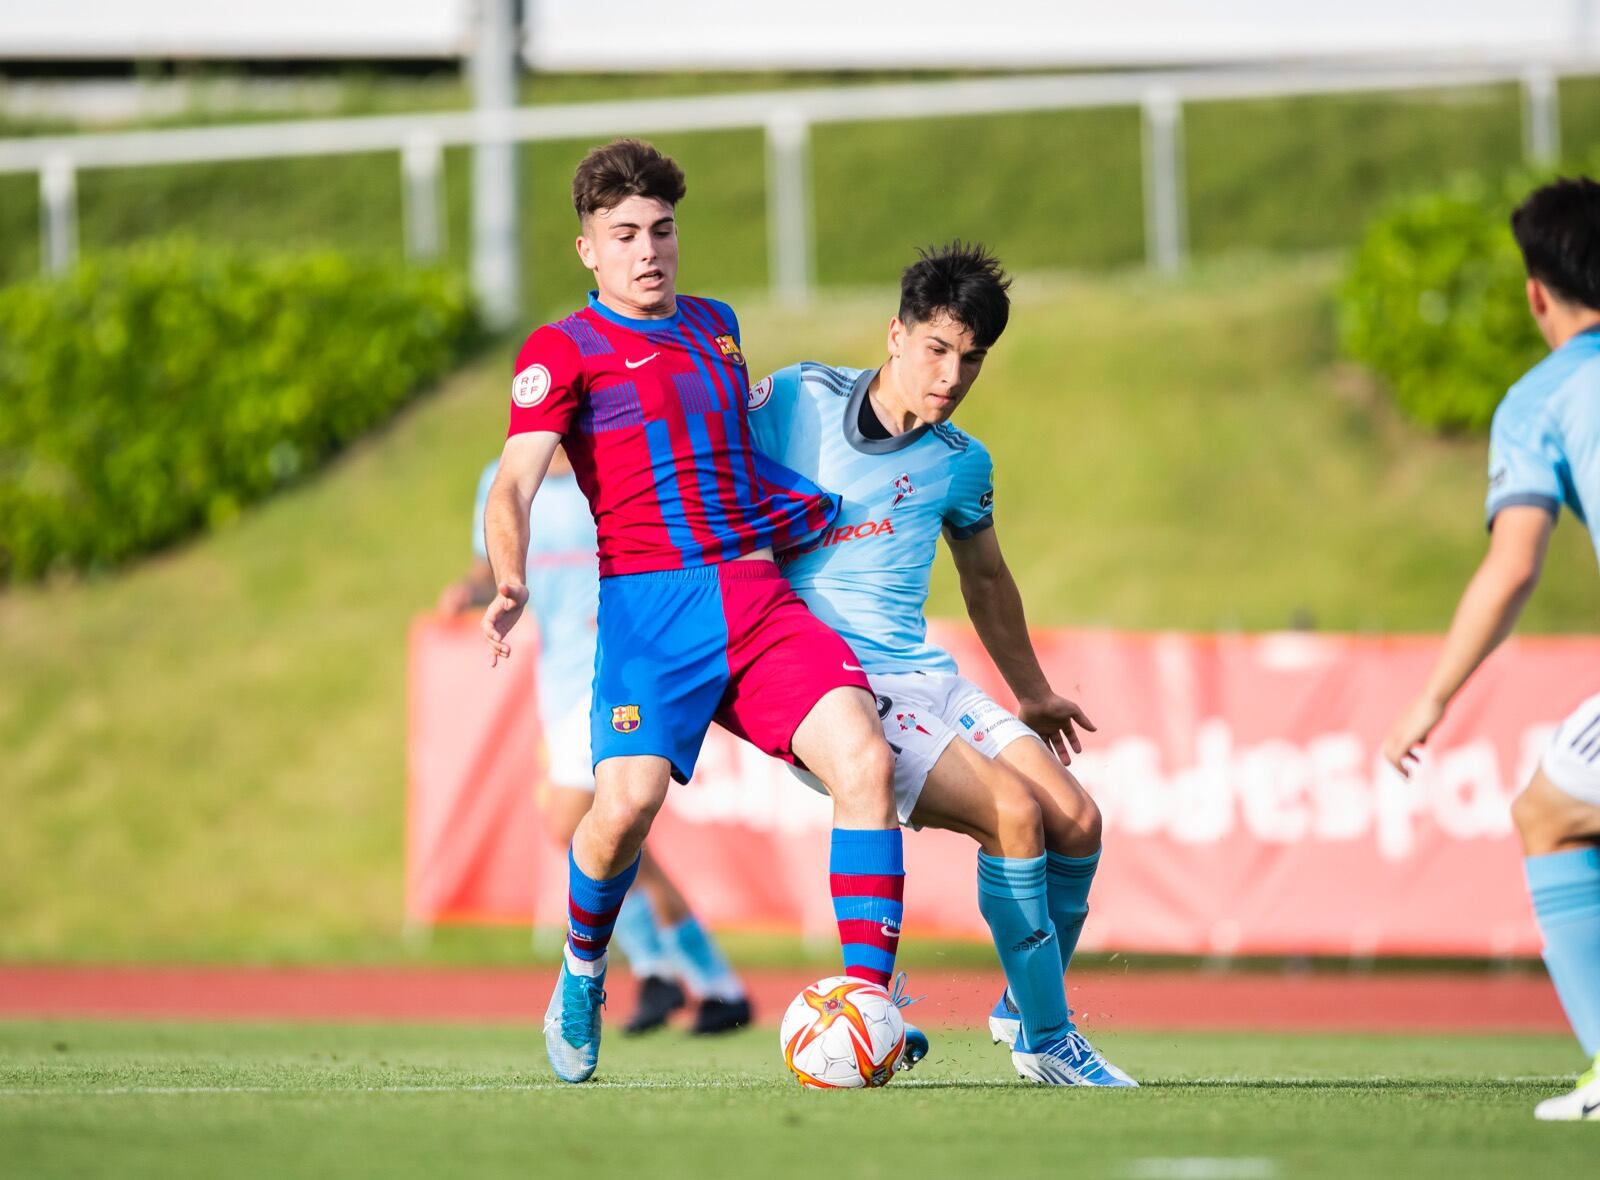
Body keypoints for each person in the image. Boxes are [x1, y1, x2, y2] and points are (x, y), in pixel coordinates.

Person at [479, 138, 919, 1084]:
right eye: (625, 233)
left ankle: (871, 1008)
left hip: (755, 599)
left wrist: (811, 506)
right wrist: (507, 575)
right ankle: (584, 970)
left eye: (663, 230)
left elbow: (739, 455)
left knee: (865, 759)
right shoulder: (562, 350)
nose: (649, 249)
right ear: (588, 248)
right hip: (650, 612)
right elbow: (513, 485)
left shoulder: (718, 325)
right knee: (623, 808)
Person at [747, 242, 1133, 1087]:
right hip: (840, 685)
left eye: (972, 359)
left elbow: (985, 576)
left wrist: (1032, 693)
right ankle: (1046, 1039)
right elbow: (703, 473)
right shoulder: (795, 401)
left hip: (931, 675)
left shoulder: (963, 460)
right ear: (895, 334)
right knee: (1013, 815)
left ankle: (1017, 1005)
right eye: (936, 349)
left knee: (1077, 821)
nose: (951, 374)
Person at [1382, 176, 1600, 1122]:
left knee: (1548, 813)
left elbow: (1513, 567)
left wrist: (1430, 701)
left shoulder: (1542, 398)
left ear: (1535, 292)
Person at [440, 451, 752, 1035]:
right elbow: (494, 567)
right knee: (612, 834)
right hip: (558, 678)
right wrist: (473, 590)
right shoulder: (503, 478)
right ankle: (708, 982)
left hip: (618, 669)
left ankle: (665, 970)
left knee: (575, 823)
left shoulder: (613, 466)